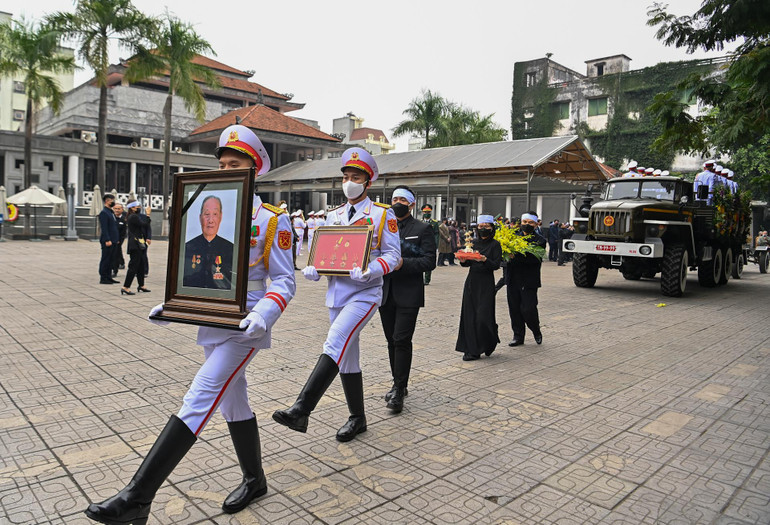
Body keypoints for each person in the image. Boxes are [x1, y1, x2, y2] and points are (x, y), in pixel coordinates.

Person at [84, 124, 296, 524]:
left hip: (246, 323)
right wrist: (173, 305)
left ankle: (137, 496)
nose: (225, 169)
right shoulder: (209, 209)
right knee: (235, 400)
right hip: (211, 318)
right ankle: (255, 479)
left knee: (201, 395)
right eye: (222, 163)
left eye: (235, 164)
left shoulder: (271, 220)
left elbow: (285, 281)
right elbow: (196, 272)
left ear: (254, 170)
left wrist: (263, 316)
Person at [272, 147, 401, 442]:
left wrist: (372, 270)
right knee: (346, 358)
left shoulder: (382, 214)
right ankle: (358, 418)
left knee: (334, 341)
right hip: (336, 293)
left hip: (365, 292)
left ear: (368, 182)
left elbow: (394, 255)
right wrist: (315, 268)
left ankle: (302, 409)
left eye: (355, 177)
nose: (349, 182)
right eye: (345, 176)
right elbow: (327, 253)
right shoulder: (334, 215)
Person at [379, 185, 436, 413]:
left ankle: (399, 388)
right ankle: (398, 381)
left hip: (408, 293)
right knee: (391, 341)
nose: (398, 202)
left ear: (412, 203)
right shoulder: (382, 227)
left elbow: (429, 261)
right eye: (394, 198)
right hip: (385, 292)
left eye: (403, 199)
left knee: (402, 339)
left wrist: (404, 264)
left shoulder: (422, 228)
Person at [455, 215, 502, 361]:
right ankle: (472, 349)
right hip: (472, 282)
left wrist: (485, 259)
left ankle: (490, 340)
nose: (483, 229)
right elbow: (467, 264)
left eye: (487, 226)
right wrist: (463, 260)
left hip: (486, 283)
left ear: (492, 228)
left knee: (483, 316)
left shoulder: (495, 245)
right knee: (469, 316)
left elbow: (495, 265)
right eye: (480, 226)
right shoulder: (473, 243)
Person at [507, 211, 547, 347]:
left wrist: (515, 256)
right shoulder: (512, 238)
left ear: (536, 224)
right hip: (513, 278)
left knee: (528, 309)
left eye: (530, 223)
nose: (527, 225)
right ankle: (518, 336)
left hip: (529, 280)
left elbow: (535, 259)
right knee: (514, 309)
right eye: (524, 222)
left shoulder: (540, 240)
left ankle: (536, 330)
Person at [182, 195, 235, 290]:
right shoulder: (187, 247)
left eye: (215, 214)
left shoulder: (231, 249)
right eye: (206, 214)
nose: (210, 220)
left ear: (220, 217)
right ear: (200, 217)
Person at [120, 202, 152, 295]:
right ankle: (125, 287)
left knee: (141, 265)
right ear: (132, 208)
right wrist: (148, 214)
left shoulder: (134, 216)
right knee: (133, 266)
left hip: (139, 243)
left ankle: (141, 285)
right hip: (135, 244)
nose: (139, 208)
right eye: (137, 206)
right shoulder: (133, 217)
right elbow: (145, 224)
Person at [98, 193, 119, 284]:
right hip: (108, 240)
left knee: (111, 259)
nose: (113, 202)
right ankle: (103, 277)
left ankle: (109, 276)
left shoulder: (111, 212)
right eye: (112, 201)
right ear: (107, 201)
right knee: (106, 259)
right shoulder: (104, 213)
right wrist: (107, 239)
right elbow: (104, 228)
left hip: (114, 240)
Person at [421, 204, 440, 285]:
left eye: (428, 212)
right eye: (425, 212)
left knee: (429, 261)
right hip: (421, 245)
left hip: (430, 245)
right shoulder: (419, 222)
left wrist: (435, 244)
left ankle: (427, 279)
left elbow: (437, 234)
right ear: (422, 212)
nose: (427, 213)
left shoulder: (434, 223)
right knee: (420, 261)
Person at [111, 202, 127, 277]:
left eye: (118, 209)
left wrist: (119, 240)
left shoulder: (124, 219)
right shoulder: (111, 217)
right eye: (115, 208)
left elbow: (123, 232)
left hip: (119, 240)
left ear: (122, 209)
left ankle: (115, 270)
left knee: (116, 254)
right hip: (110, 239)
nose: (117, 210)